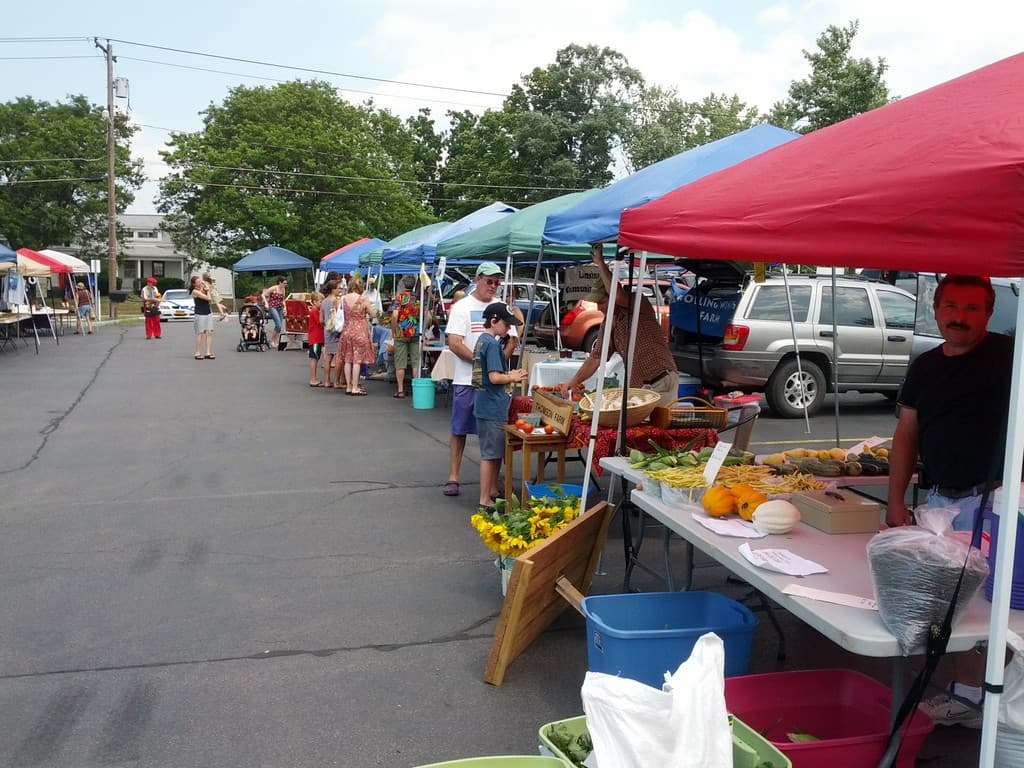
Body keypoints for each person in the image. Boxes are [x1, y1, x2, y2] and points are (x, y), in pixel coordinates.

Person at [888, 274, 1014, 729]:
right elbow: (906, 434)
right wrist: (895, 502)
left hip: (996, 501)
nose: (960, 317)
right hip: (940, 502)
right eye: (952, 307)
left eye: (973, 308)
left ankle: (986, 698)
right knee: (949, 602)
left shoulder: (1011, 356)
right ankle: (967, 691)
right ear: (935, 309)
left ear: (989, 313)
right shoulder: (925, 365)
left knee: (989, 605)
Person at [559, 249, 678, 406]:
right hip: (640, 387)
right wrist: (574, 381)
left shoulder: (638, 304)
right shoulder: (609, 323)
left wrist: (600, 264)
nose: (599, 307)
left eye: (602, 302)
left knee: (658, 421)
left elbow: (617, 295)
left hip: (661, 380)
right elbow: (596, 357)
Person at [443, 262, 517, 497]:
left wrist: (497, 361)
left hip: (492, 384)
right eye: (489, 281)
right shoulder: (462, 307)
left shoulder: (502, 307)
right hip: (466, 380)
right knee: (460, 428)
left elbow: (512, 339)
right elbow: (454, 342)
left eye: (497, 282)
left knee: (495, 431)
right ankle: (454, 476)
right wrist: (483, 364)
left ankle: (493, 483)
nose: (493, 286)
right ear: (478, 280)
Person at [473, 302, 527, 510]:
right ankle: (484, 498)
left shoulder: (482, 340)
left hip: (484, 403)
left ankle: (493, 490)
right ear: (494, 321)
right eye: (506, 324)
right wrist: (512, 376)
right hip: (492, 405)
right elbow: (495, 377)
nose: (508, 328)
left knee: (495, 452)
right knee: (490, 454)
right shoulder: (493, 345)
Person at [336, 276, 378, 395]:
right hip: (360, 331)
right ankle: (355, 387)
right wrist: (375, 310)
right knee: (357, 361)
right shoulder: (364, 299)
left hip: (347, 331)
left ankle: (349, 386)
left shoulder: (343, 299)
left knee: (347, 359)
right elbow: (373, 314)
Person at [390, 274, 421, 399]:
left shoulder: (399, 298)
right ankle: (417, 389)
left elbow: (394, 315)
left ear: (403, 285)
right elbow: (429, 316)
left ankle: (400, 390)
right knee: (415, 362)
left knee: (400, 362)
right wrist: (422, 329)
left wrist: (393, 331)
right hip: (415, 332)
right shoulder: (418, 298)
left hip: (401, 332)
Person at [189, 275, 215, 359]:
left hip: (208, 312)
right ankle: (197, 353)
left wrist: (206, 287)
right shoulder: (195, 291)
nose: (200, 283)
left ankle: (208, 353)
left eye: (200, 281)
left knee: (209, 332)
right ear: (194, 284)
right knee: (200, 333)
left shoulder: (203, 289)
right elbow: (208, 298)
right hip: (200, 314)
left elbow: (211, 294)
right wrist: (207, 290)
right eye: (198, 282)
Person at [306, 291, 325, 386]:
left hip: (317, 338)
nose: (322, 304)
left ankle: (314, 378)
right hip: (315, 338)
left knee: (316, 358)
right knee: (314, 358)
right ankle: (313, 379)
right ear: (314, 302)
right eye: (320, 302)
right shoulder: (315, 311)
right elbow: (320, 322)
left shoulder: (315, 311)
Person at [266, 276, 287, 348]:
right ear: (280, 282)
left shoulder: (283, 289)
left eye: (286, 283)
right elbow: (263, 294)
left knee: (279, 326)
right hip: (273, 307)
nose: (285, 285)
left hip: (280, 307)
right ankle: (272, 340)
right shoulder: (274, 288)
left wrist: (285, 308)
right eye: (284, 283)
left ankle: (276, 340)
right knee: (278, 324)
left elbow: (283, 299)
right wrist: (266, 303)